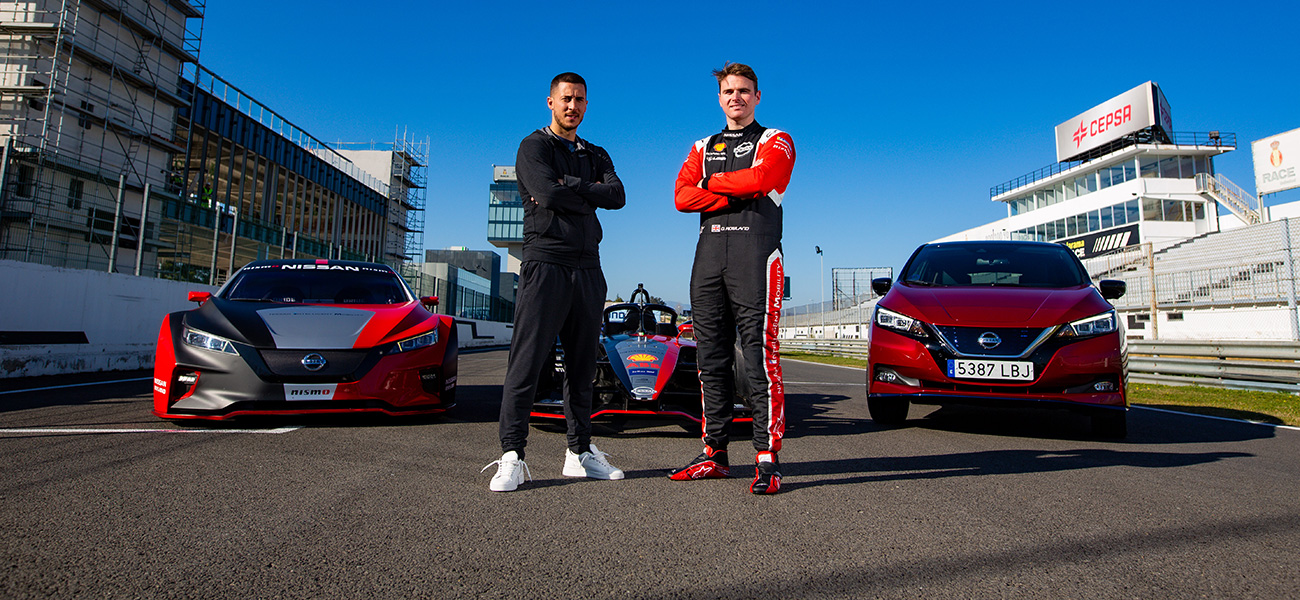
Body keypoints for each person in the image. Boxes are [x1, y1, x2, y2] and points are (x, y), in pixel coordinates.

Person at [483, 72, 626, 492]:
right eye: (566, 99)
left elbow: (617, 196)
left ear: (586, 105)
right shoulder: (533, 146)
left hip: (588, 268)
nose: (573, 106)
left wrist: (575, 185)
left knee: (582, 367)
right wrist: (587, 196)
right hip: (545, 263)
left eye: (580, 100)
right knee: (527, 362)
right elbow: (546, 194)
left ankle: (579, 453)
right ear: (550, 102)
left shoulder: (595, 153)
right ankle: (512, 455)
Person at [669, 63, 796, 494]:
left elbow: (765, 177)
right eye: (728, 91)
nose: (735, 98)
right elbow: (681, 197)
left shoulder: (776, 139)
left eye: (744, 91)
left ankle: (767, 459)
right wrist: (736, 187)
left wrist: (711, 182)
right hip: (708, 260)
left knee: (760, 358)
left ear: (757, 96)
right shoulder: (703, 145)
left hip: (756, 258)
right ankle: (715, 454)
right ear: (719, 97)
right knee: (711, 360)